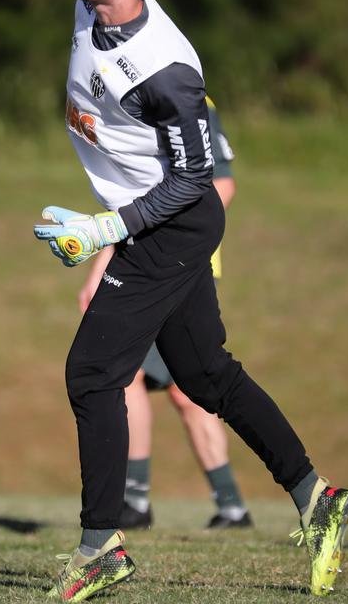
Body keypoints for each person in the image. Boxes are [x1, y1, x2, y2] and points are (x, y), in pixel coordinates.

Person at [33, 0, 348, 601]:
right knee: (207, 375)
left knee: (92, 374)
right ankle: (319, 498)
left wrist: (105, 229)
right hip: (153, 225)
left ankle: (101, 548)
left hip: (169, 228)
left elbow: (193, 180)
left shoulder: (167, 73)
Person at [77, 98, 253, 531]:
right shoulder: (135, 96)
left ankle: (134, 501)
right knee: (185, 388)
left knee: (136, 376)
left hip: (169, 266)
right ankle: (231, 505)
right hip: (162, 261)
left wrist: (153, 244)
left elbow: (221, 184)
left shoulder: (180, 95)